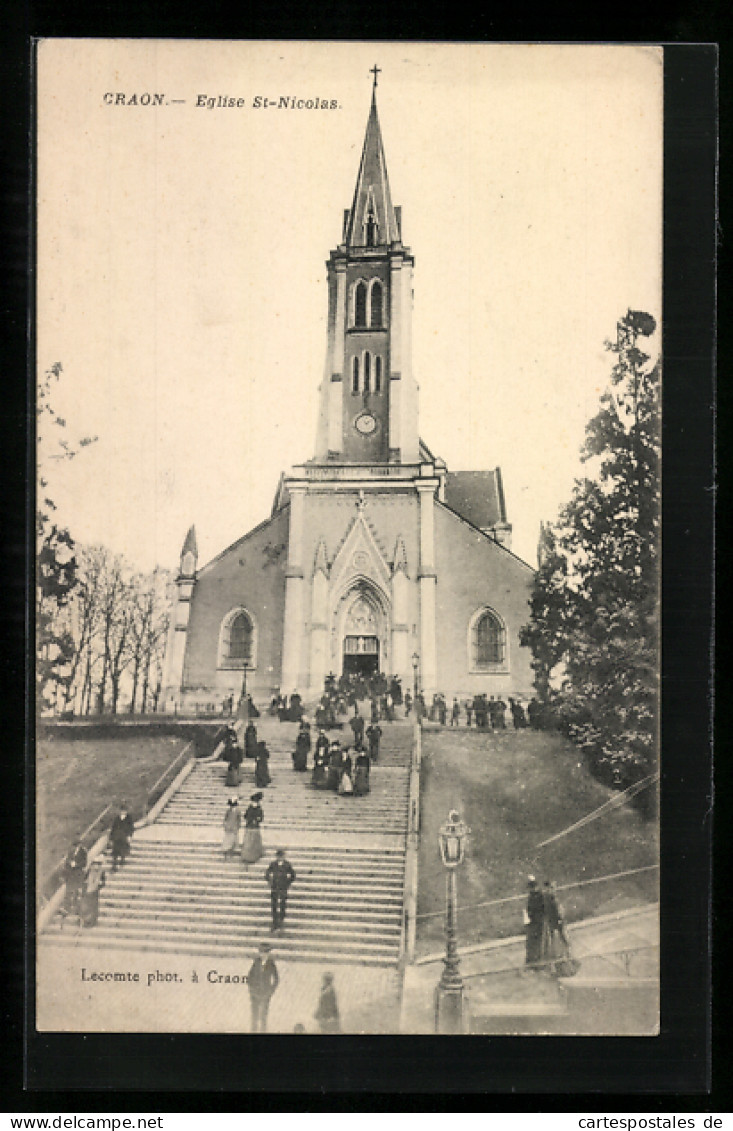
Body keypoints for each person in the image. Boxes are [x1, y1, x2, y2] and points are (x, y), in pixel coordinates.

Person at [247, 942, 279, 1032]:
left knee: (263, 1015)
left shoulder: (271, 964)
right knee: (254, 1014)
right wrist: (251, 989)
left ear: (268, 953)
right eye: (261, 952)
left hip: (265, 993)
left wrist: (271, 991)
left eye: (265, 953)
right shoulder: (256, 962)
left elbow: (276, 979)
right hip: (255, 992)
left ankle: (263, 1031)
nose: (263, 955)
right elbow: (250, 976)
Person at [265, 849, 296, 932]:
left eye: (281, 856)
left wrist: (287, 883)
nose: (280, 858)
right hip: (274, 887)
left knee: (282, 905)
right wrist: (270, 881)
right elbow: (267, 873)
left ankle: (281, 922)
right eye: (278, 856)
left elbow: (293, 875)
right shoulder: (273, 864)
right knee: (274, 905)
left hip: (283, 888)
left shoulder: (287, 864)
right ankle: (274, 923)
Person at [62, 840, 88, 919]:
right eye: (75, 846)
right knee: (68, 891)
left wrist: (76, 865)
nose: (76, 847)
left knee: (77, 891)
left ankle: (77, 909)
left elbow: (84, 863)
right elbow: (67, 861)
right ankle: (66, 908)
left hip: (78, 874)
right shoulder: (70, 852)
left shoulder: (83, 852)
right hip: (70, 874)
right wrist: (69, 864)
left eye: (78, 845)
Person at [524, 875, 545, 969]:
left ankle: (536, 961)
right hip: (534, 922)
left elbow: (541, 909)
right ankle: (533, 961)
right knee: (533, 943)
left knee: (538, 942)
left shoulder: (539, 896)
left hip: (538, 922)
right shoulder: (532, 896)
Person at [79, 858, 106, 928]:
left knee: (93, 907)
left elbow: (103, 882)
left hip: (94, 892)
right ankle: (84, 921)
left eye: (98, 864)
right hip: (87, 891)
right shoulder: (88, 871)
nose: (96, 866)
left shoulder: (101, 872)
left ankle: (92, 922)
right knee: (85, 906)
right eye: (94, 864)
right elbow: (83, 879)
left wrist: (99, 885)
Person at [241, 793, 265, 864]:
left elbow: (261, 818)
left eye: (255, 802)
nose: (254, 803)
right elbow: (245, 816)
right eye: (253, 801)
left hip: (255, 827)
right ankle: (247, 856)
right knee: (248, 842)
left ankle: (254, 856)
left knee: (254, 842)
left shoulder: (259, 809)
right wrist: (250, 819)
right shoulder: (249, 808)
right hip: (249, 826)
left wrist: (257, 819)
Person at [109, 803, 134, 871]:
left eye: (124, 810)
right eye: (121, 810)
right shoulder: (117, 818)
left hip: (124, 836)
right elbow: (113, 828)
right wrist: (111, 839)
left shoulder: (129, 818)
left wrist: (129, 836)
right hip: (116, 837)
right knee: (115, 851)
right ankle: (114, 864)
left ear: (126, 811)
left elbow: (131, 828)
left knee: (123, 849)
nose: (123, 812)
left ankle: (122, 860)